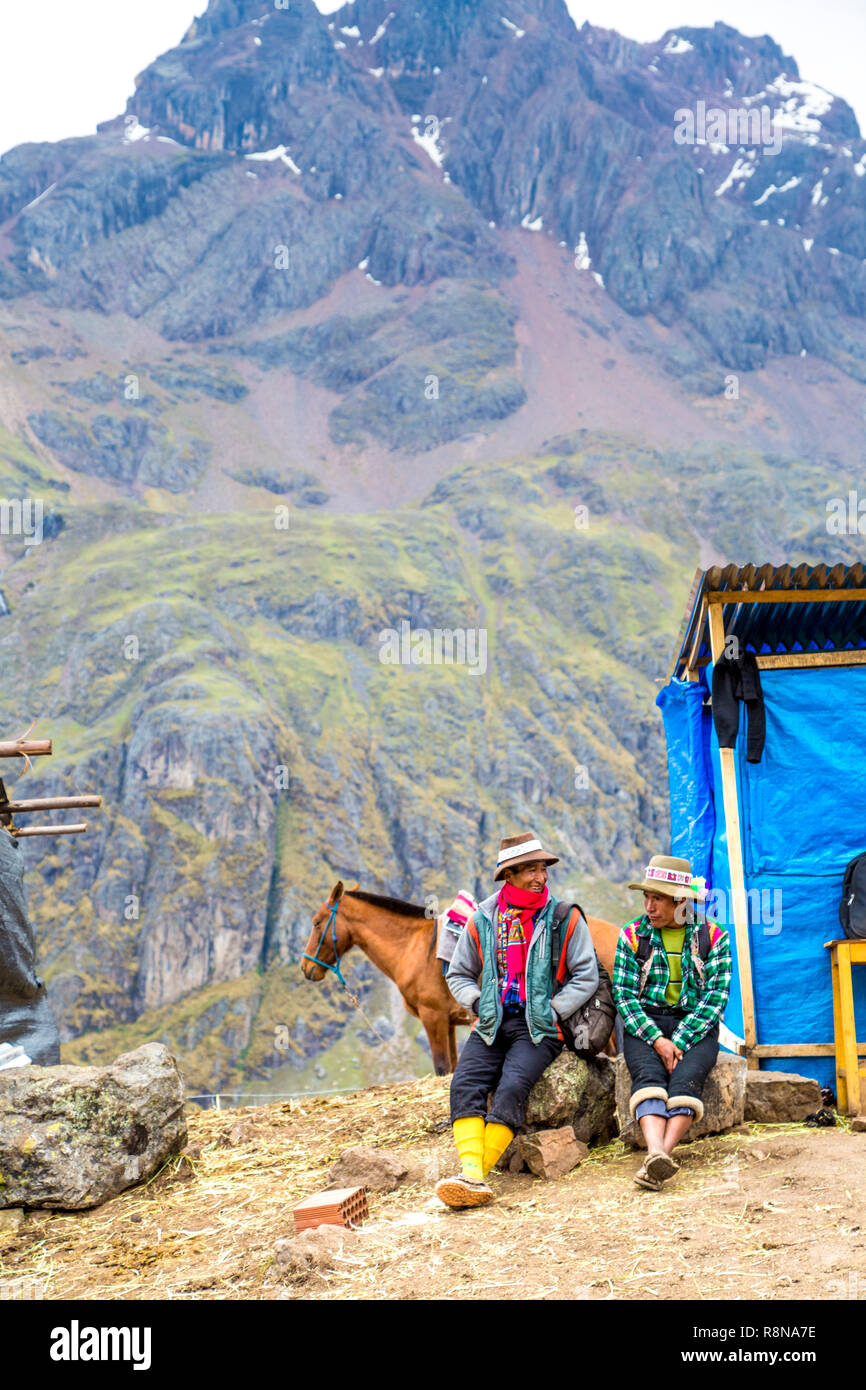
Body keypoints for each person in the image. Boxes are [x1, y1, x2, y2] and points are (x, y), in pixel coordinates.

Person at [435, 832, 598, 1210]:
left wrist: (554, 1010)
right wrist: (476, 1003)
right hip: (492, 1023)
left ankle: (473, 1178)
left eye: (542, 868)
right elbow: (458, 973)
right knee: (464, 1084)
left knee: (511, 1088)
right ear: (508, 875)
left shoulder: (564, 917)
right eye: (529, 870)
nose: (540, 877)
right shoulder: (483, 920)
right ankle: (471, 1174)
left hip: (539, 1027)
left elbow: (586, 975)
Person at [613, 853, 732, 1192]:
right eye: (646, 898)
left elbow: (715, 998)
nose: (649, 907)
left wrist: (678, 1040)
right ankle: (656, 1153)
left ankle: (659, 1158)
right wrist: (658, 1039)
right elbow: (624, 995)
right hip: (645, 1024)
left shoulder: (714, 936)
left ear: (681, 901)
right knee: (647, 1075)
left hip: (695, 1025)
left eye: (658, 899)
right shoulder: (633, 935)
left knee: (689, 1076)